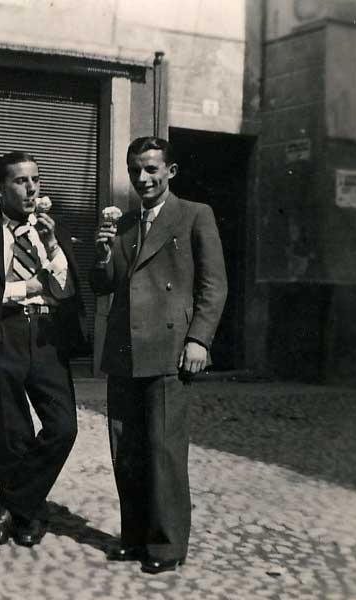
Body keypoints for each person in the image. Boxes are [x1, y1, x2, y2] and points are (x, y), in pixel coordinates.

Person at [92, 136, 227, 574]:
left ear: (170, 171)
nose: (143, 178)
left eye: (151, 169)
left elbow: (214, 285)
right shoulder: (126, 224)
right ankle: (134, 536)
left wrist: (199, 339)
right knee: (127, 450)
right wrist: (103, 253)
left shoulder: (194, 215)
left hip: (170, 350)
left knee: (164, 451)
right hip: (125, 351)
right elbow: (105, 284)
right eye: (135, 170)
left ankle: (167, 545)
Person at [0, 151, 88, 547]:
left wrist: (52, 245)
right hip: (1, 335)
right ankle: (29, 518)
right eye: (20, 181)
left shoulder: (51, 231)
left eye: (35, 180)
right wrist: (30, 286)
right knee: (11, 433)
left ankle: (11, 505)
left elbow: (66, 290)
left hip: (46, 337)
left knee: (63, 427)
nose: (31, 189)